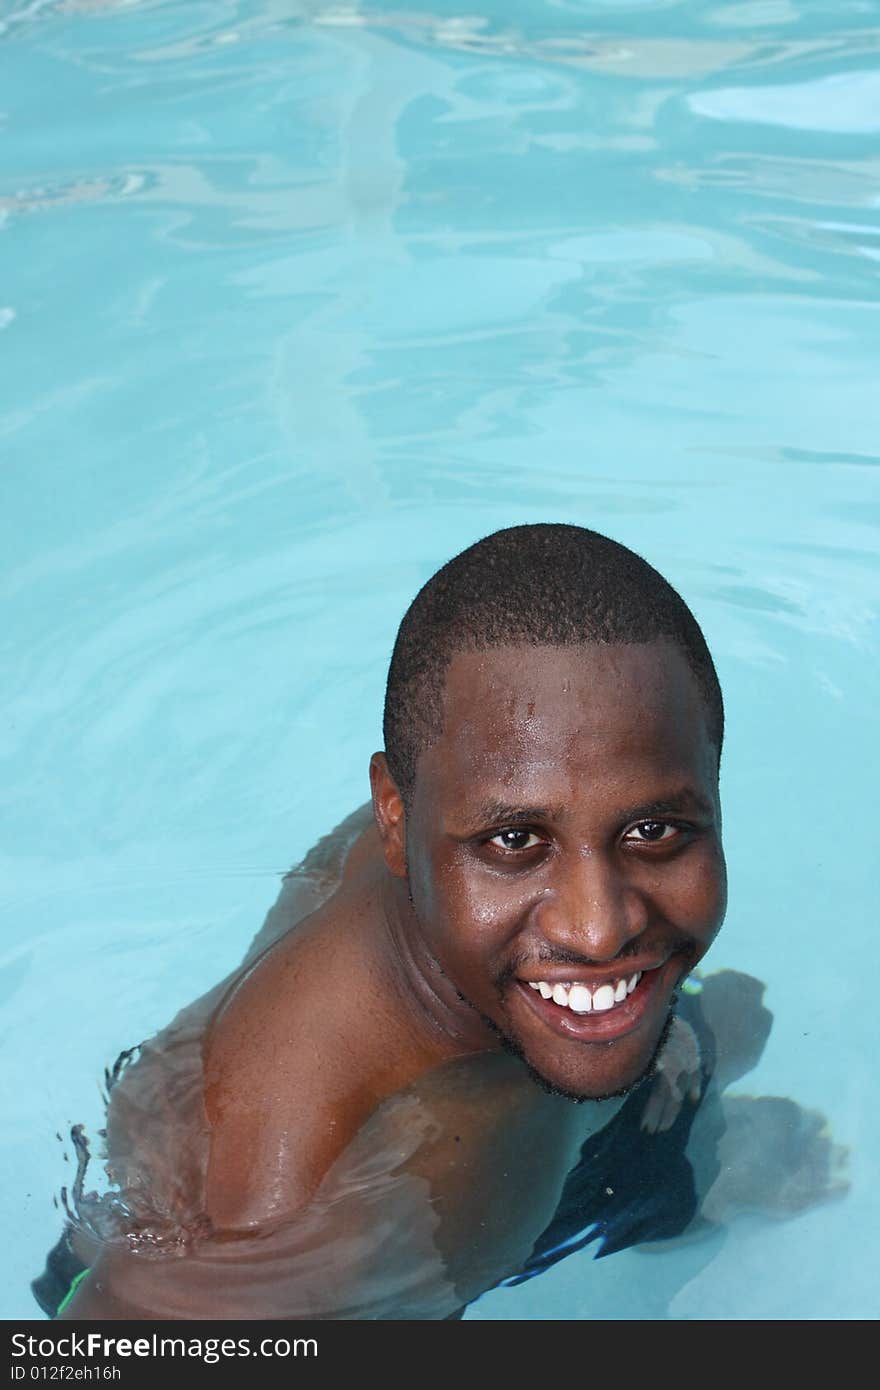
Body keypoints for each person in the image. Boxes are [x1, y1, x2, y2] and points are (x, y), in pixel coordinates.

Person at [43, 524, 839, 1320]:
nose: (600, 929)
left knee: (717, 1030)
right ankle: (672, 1177)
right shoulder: (314, 1206)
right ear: (397, 817)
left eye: (655, 830)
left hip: (491, 1039)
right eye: (517, 841)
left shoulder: (460, 795)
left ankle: (680, 1146)